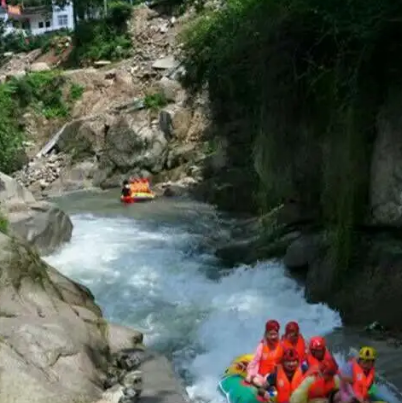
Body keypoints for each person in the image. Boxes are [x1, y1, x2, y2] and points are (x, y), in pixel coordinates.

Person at [246, 320, 284, 387]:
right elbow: (254, 362)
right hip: (261, 376)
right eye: (271, 334)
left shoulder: (282, 345)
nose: (273, 337)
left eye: (275, 334)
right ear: (266, 334)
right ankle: (265, 388)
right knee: (256, 381)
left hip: (274, 376)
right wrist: (250, 374)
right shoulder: (262, 346)